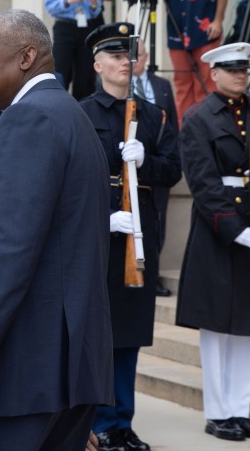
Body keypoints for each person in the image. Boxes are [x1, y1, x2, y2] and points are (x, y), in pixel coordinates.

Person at [0, 9, 113, 451]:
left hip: (17, 380)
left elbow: (5, 260)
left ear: (27, 57)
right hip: (58, 377)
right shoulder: (70, 114)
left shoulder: (28, 119)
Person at [175, 42, 250, 443]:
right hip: (218, 232)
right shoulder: (199, 119)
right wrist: (234, 228)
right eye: (232, 70)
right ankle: (218, 411)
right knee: (217, 327)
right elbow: (203, 184)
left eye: (245, 70)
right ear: (214, 74)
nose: (240, 76)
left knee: (244, 326)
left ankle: (240, 409)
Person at [79, 23, 180, 451]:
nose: (124, 62)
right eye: (115, 56)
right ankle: (99, 420)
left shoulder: (152, 114)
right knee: (100, 333)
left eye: (129, 55)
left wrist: (147, 162)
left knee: (131, 333)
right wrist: (102, 218)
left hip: (139, 236)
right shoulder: (81, 113)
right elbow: (70, 181)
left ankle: (122, 421)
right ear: (98, 64)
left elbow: (172, 169)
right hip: (99, 238)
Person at [131, 41, 179, 297]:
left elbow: (172, 125)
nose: (134, 61)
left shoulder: (162, 85)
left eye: (138, 56)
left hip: (158, 166)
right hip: (128, 167)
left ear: (146, 56)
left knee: (158, 223)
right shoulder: (115, 84)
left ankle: (153, 275)